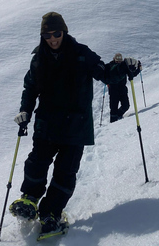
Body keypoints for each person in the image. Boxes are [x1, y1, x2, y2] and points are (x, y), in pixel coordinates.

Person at [9, 12, 141, 236]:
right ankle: (29, 199)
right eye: (47, 34)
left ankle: (51, 212)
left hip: (75, 126)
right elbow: (30, 88)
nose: (53, 38)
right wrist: (25, 111)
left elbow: (105, 73)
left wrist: (125, 68)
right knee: (37, 162)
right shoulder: (39, 58)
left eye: (57, 33)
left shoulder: (81, 54)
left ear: (64, 32)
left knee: (66, 172)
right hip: (47, 123)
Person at [107, 53, 130, 122]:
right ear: (114, 59)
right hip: (113, 90)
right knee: (113, 108)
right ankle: (113, 122)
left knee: (126, 106)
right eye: (117, 61)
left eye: (119, 61)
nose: (118, 62)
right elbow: (106, 77)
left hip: (122, 89)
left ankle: (119, 115)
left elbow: (131, 73)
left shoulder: (124, 66)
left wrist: (138, 69)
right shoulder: (110, 66)